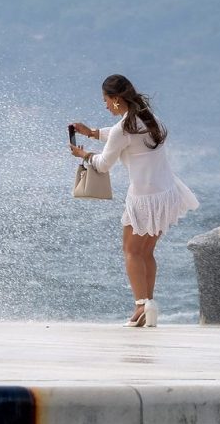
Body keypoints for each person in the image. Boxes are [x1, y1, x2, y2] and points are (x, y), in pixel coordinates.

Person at [69, 74, 198, 327]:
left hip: (144, 199)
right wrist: (94, 133)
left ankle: (140, 307)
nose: (105, 105)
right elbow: (125, 135)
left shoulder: (122, 129)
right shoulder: (151, 120)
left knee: (130, 252)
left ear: (116, 99)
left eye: (106, 100)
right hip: (166, 194)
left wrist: (83, 154)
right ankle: (147, 303)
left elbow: (104, 164)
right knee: (146, 252)